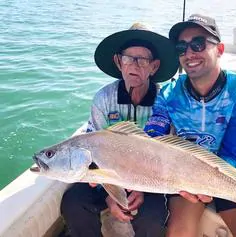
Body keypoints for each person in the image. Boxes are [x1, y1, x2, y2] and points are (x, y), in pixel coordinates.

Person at [144, 14, 236, 237]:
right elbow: (152, 136)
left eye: (198, 44)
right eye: (181, 47)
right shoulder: (168, 93)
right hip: (183, 178)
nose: (189, 53)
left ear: (219, 49)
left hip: (233, 176)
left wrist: (205, 183)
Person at [60, 23, 179, 237]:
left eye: (143, 60)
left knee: (152, 219)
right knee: (73, 203)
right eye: (128, 58)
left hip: (148, 179)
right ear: (118, 61)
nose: (135, 65)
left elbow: (164, 155)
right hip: (106, 178)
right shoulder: (103, 98)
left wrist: (139, 188)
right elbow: (93, 153)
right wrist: (110, 194)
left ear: (154, 66)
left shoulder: (165, 101)